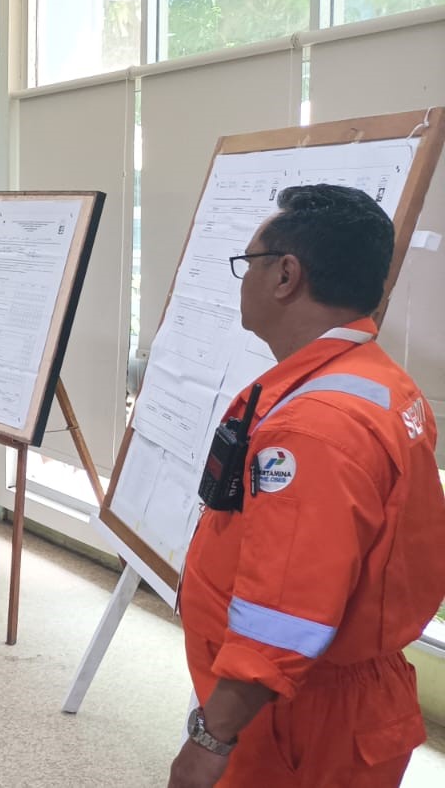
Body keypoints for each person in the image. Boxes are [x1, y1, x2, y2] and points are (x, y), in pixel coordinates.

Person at [169, 185, 445, 788]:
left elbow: (283, 613)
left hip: (295, 715)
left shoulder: (313, 427)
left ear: (285, 275)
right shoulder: (378, 381)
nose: (242, 279)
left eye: (248, 263)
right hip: (327, 696)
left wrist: (212, 738)